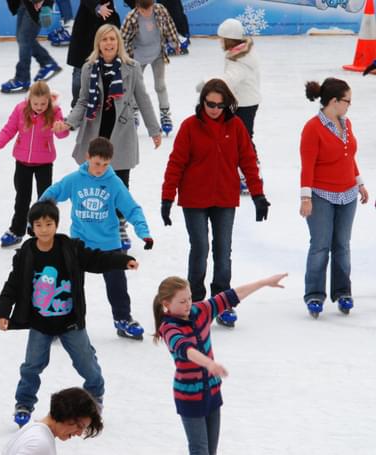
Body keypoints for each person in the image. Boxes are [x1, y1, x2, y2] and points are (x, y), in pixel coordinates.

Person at [0, 200, 138, 426]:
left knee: (88, 366)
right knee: (31, 366)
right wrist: (3, 312)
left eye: (49, 224)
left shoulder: (70, 248)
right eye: (39, 225)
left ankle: (94, 400)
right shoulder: (26, 254)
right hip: (40, 324)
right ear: (32, 227)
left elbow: (96, 259)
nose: (44, 229)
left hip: (71, 323)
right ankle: (23, 403)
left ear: (56, 224)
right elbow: (12, 285)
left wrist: (123, 260)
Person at [160, 78, 269, 328]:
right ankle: (194, 301)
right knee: (199, 249)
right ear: (202, 102)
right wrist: (167, 198)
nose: (214, 109)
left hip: (224, 198)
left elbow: (248, 161)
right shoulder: (190, 127)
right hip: (194, 199)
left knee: (223, 252)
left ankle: (222, 301)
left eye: (220, 105)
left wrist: (258, 195)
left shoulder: (236, 126)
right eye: (210, 104)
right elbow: (175, 163)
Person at [152, 273, 287, 455]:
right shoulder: (168, 328)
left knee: (211, 451)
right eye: (182, 301)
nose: (188, 304)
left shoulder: (201, 311)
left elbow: (231, 296)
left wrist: (263, 282)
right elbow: (186, 349)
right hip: (189, 396)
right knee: (200, 450)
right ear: (166, 304)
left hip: (212, 392)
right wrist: (208, 363)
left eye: (190, 298)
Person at [57, 24, 161, 250]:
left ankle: (120, 225)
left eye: (112, 39)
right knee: (92, 182)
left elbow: (143, 99)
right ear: (98, 43)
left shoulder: (131, 68)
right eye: (104, 40)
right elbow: (83, 100)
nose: (109, 43)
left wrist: (154, 129)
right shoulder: (88, 68)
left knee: (120, 183)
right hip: (95, 132)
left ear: (119, 42)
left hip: (121, 133)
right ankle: (89, 226)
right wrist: (69, 122)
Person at [40, 137, 153, 340]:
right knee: (70, 284)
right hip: (79, 243)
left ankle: (123, 319)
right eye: (96, 163)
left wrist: (143, 231)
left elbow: (132, 208)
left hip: (109, 244)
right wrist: (40, 211)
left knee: (117, 285)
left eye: (105, 164)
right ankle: (63, 321)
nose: (100, 169)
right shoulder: (75, 180)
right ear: (88, 157)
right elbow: (53, 192)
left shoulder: (114, 183)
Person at [300, 78, 369, 318]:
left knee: (342, 246)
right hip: (322, 195)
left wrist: (359, 183)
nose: (349, 105)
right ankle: (314, 295)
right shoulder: (312, 128)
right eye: (347, 100)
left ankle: (342, 292)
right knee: (320, 246)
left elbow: (348, 156)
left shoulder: (345, 123)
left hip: (348, 194)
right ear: (334, 101)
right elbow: (307, 165)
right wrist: (305, 197)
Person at [0, 81, 69, 248]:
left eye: (43, 104)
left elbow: (62, 134)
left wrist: (61, 128)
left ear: (49, 101)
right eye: (36, 103)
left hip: (44, 163)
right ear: (29, 99)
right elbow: (8, 130)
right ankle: (17, 230)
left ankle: (42, 230)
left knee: (45, 199)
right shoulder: (20, 110)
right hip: (22, 162)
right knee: (22, 198)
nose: (39, 107)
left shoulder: (54, 112)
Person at [208, 18, 261, 194]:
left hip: (244, 103)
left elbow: (230, 79)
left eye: (221, 38)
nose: (219, 41)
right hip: (245, 101)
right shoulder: (241, 53)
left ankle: (249, 174)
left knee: (242, 138)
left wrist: (208, 84)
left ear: (229, 39)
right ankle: (248, 170)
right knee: (242, 137)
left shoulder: (239, 60)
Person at [120, 0, 180, 134]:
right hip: (138, 57)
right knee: (135, 86)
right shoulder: (131, 18)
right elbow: (122, 39)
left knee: (160, 85)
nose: (146, 14)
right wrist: (124, 57)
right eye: (142, 11)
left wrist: (174, 41)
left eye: (149, 9)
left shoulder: (160, 10)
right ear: (137, 7)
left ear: (153, 5)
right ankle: (134, 111)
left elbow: (170, 25)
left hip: (157, 54)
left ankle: (165, 114)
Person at [2, 387, 103, 455]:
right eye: (80, 426)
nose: (79, 433)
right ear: (67, 413)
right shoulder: (39, 443)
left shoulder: (33, 428)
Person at [66, 0, 121, 107]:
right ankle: (76, 111)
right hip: (85, 29)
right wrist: (97, 7)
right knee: (79, 74)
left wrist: (140, 6)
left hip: (105, 25)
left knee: (105, 74)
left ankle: (100, 111)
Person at [1, 0, 62, 93]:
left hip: (35, 4)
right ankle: (47, 62)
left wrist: (46, 6)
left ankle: (22, 78)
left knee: (24, 38)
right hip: (23, 3)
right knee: (23, 38)